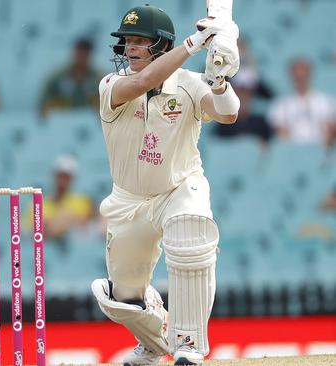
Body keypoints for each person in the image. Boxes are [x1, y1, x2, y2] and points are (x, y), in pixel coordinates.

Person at [89, 4, 240, 366]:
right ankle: (156, 342)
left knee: (191, 228)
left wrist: (220, 79)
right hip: (128, 201)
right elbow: (142, 82)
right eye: (127, 42)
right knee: (121, 297)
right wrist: (195, 43)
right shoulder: (112, 84)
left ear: (161, 44)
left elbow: (229, 113)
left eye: (140, 41)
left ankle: (188, 344)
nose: (130, 49)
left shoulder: (188, 84)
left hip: (178, 187)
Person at [268, 58, 336, 146]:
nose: (301, 78)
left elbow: (330, 131)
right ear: (291, 75)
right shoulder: (279, 105)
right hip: (291, 153)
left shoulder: (326, 102)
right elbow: (281, 134)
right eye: (297, 75)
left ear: (310, 74)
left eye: (304, 74)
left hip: (320, 152)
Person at [39, 38, 104, 117]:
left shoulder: (99, 80)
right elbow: (44, 103)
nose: (81, 58)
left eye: (85, 54)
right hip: (62, 123)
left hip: (89, 123)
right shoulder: (57, 79)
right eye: (79, 53)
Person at [39, 155, 94, 244]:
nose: (63, 180)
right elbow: (29, 232)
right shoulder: (38, 205)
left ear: (73, 179)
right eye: (60, 175)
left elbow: (86, 228)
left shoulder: (83, 202)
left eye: (66, 176)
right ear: (54, 176)